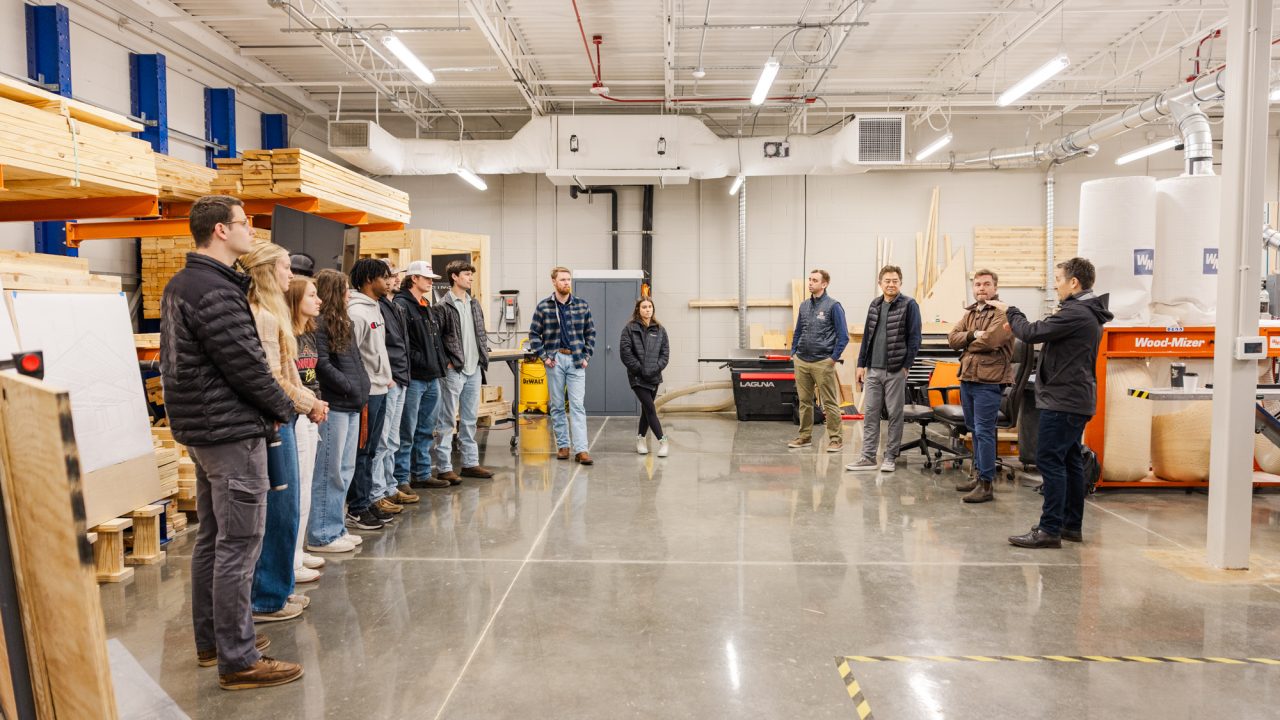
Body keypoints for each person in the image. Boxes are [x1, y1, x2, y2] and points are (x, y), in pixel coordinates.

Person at [159, 195, 301, 690]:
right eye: (244, 224)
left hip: (205, 432)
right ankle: (238, 660)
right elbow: (248, 368)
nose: (251, 232)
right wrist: (284, 410)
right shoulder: (216, 291)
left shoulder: (185, 283)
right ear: (221, 231)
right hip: (231, 432)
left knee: (214, 541)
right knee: (239, 546)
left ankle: (213, 641)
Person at [988, 258, 1112, 548]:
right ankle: (1070, 525)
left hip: (1064, 400)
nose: (1055, 285)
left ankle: (1049, 529)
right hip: (1071, 397)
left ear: (1074, 283)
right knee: (1069, 461)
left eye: (1058, 279)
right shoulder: (1084, 312)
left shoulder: (1077, 313)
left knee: (1050, 461)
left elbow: (1031, 332)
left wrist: (1013, 310)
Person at [241, 244, 326, 623]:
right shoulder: (263, 318)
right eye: (285, 268)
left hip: (288, 414)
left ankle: (276, 591)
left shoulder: (272, 315)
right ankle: (268, 598)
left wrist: (306, 400)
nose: (291, 276)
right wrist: (309, 403)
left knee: (287, 508)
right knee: (281, 509)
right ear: (265, 272)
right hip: (280, 419)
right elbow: (273, 379)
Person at [307, 269, 374, 549]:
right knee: (329, 471)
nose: (349, 294)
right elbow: (321, 363)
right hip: (335, 405)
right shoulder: (320, 324)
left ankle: (337, 526)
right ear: (335, 292)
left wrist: (362, 386)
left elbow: (355, 361)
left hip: (352, 404)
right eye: (345, 289)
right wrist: (348, 385)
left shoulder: (342, 323)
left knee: (345, 469)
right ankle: (322, 533)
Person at [947, 269, 1014, 504]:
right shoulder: (971, 313)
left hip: (989, 381)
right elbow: (952, 337)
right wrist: (973, 335)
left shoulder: (1003, 313)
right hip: (968, 378)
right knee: (973, 430)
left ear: (995, 287)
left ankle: (986, 484)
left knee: (984, 432)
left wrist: (967, 344)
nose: (981, 288)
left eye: (986, 284)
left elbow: (993, 340)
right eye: (977, 285)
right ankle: (977, 476)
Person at [846, 265, 922, 474]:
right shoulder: (875, 305)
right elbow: (867, 338)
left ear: (900, 283)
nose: (891, 284)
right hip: (873, 369)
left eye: (895, 280)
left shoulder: (909, 305)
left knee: (895, 415)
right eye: (887, 280)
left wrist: (906, 366)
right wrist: (861, 364)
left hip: (895, 369)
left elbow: (915, 338)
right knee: (870, 414)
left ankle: (890, 457)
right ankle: (868, 457)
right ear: (880, 283)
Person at [433, 259, 495, 481]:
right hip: (454, 370)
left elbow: (479, 333)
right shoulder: (442, 306)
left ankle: (470, 463)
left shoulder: (474, 304)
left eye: (471, 274)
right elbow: (436, 340)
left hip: (474, 369)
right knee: (447, 420)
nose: (470, 278)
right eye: (466, 274)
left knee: (469, 419)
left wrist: (481, 356)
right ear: (454, 277)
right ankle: (444, 467)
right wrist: (447, 362)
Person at [528, 267, 597, 464]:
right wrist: (544, 356)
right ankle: (563, 446)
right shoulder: (544, 307)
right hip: (555, 360)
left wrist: (586, 356)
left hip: (576, 361)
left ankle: (582, 450)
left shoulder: (582, 305)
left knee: (577, 406)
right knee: (557, 406)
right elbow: (534, 334)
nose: (567, 283)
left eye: (568, 279)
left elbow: (591, 332)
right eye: (563, 280)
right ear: (554, 282)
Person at [346, 259, 396, 529]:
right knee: (361, 452)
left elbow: (378, 351)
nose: (388, 282)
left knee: (372, 451)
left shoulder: (375, 308)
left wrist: (385, 378)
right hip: (367, 393)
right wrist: (366, 385)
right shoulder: (356, 313)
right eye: (383, 277)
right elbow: (351, 357)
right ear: (369, 279)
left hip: (380, 388)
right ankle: (357, 507)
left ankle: (365, 501)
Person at [285, 276, 328, 582]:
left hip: (312, 413)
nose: (319, 301)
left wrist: (319, 405)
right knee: (297, 488)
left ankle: (298, 552)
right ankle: (290, 559)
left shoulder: (308, 333)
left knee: (307, 486)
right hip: (297, 414)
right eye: (312, 296)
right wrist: (310, 405)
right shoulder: (286, 335)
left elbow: (312, 378)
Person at [394, 260, 451, 490]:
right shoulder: (401, 305)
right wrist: (420, 362)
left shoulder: (425, 303)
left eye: (431, 279)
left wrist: (439, 362)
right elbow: (403, 343)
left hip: (432, 377)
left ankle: (423, 473)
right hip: (415, 377)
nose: (430, 282)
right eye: (426, 278)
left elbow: (434, 341)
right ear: (413, 279)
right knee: (407, 430)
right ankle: (401, 478)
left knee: (426, 429)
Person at [370, 260, 417, 514]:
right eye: (391, 275)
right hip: (389, 380)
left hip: (400, 377)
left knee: (392, 439)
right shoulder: (377, 307)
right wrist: (389, 375)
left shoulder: (392, 305)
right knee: (382, 440)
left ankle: (388, 486)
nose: (396, 279)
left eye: (397, 275)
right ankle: (376, 492)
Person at [787, 269, 850, 453]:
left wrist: (832, 358)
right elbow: (798, 331)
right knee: (805, 401)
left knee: (830, 402)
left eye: (815, 280)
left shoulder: (833, 306)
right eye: (809, 279)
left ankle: (836, 439)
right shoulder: (804, 306)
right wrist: (794, 353)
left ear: (824, 284)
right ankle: (804, 437)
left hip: (823, 361)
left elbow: (843, 336)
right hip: (802, 361)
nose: (810, 283)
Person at [619, 297, 670, 457]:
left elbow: (665, 353)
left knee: (645, 411)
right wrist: (640, 369)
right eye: (644, 307)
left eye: (650, 307)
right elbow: (625, 353)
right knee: (650, 408)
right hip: (637, 377)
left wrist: (655, 368)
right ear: (638, 310)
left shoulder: (660, 330)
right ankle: (663, 441)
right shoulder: (630, 328)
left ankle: (640, 439)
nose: (647, 309)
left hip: (654, 376)